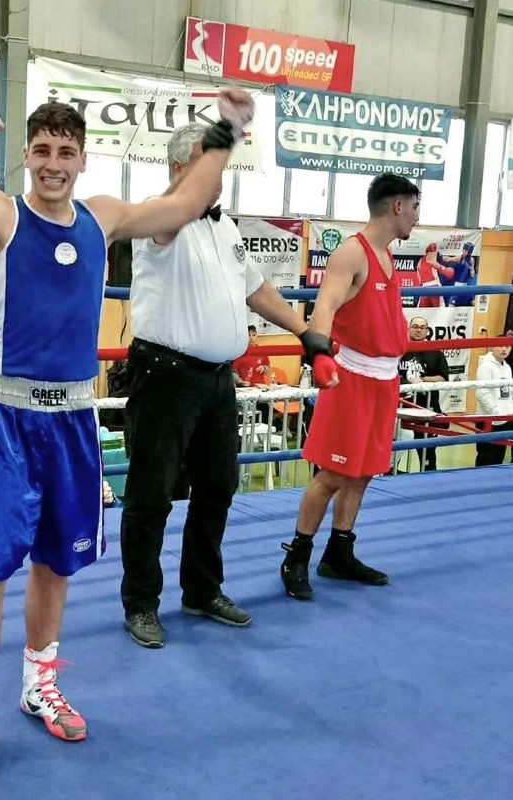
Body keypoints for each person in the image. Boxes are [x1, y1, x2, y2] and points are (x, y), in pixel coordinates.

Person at [0, 90, 256, 785]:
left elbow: (189, 198)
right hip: (6, 420)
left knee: (57, 564)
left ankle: (39, 683)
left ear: (81, 161)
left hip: (74, 420)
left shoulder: (102, 219)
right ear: (26, 155)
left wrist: (227, 129)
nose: (53, 163)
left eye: (66, 152)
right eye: (43, 151)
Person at [119, 123, 332, 648]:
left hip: (217, 381)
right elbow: (172, 216)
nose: (219, 178)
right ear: (178, 170)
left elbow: (255, 288)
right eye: (207, 166)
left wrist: (306, 332)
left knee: (218, 489)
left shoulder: (225, 228)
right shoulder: (158, 218)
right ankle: (141, 602)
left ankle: (201, 589)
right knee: (151, 496)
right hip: (165, 376)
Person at [279, 173, 420, 602]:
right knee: (333, 473)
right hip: (352, 378)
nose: (416, 217)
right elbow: (325, 305)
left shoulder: (387, 255)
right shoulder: (351, 252)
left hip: (384, 379)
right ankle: (297, 555)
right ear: (397, 206)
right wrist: (320, 353)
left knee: (364, 471)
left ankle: (339, 551)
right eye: (415, 207)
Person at [398, 316, 449, 471]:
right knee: (395, 450)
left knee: (427, 453)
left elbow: (443, 377)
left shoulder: (435, 351)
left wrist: (423, 380)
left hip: (427, 409)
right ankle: (389, 476)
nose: (418, 330)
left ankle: (429, 479)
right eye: (415, 326)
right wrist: (407, 383)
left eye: (422, 327)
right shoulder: (399, 349)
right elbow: (390, 372)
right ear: (409, 328)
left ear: (427, 331)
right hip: (402, 410)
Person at [474, 339, 513, 467]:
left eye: (507, 346)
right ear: (492, 347)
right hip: (488, 419)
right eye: (500, 345)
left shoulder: (507, 367)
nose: (504, 349)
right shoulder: (485, 366)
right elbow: (482, 394)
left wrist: (508, 413)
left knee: (498, 457)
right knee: (486, 457)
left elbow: (509, 392)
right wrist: (496, 413)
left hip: (504, 419)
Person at [416, 243, 453, 308]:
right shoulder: (432, 258)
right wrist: (446, 270)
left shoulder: (420, 261)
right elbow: (446, 272)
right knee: (440, 311)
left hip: (424, 289)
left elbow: (419, 279)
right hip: (435, 287)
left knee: (421, 312)